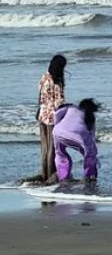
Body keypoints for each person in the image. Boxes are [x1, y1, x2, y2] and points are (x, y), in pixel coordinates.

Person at [52, 98, 101, 182]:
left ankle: (63, 177)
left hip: (58, 133)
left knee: (60, 154)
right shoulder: (91, 118)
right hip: (78, 138)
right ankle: (89, 176)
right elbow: (91, 135)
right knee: (90, 154)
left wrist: (58, 125)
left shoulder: (70, 108)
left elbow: (56, 115)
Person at [35, 54, 67, 183]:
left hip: (42, 115)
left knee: (44, 148)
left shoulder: (44, 77)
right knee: (52, 148)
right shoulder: (56, 81)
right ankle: (51, 175)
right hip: (52, 117)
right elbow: (59, 103)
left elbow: (41, 96)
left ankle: (44, 174)